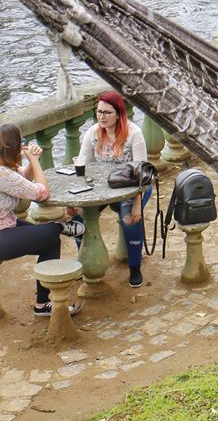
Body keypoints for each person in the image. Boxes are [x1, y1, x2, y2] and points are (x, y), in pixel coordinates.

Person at [0, 124, 82, 318]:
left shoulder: (5, 169)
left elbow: (22, 176)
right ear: (14, 147)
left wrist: (31, 161)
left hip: (6, 223)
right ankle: (61, 226)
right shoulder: (2, 173)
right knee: (51, 231)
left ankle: (42, 304)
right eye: (22, 142)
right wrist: (36, 161)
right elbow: (42, 194)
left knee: (50, 242)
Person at [76, 90, 149, 288]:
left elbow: (143, 174)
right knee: (76, 217)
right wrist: (75, 200)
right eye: (99, 111)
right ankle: (83, 261)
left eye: (107, 112)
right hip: (103, 188)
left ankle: (135, 267)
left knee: (130, 220)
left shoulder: (134, 134)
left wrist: (137, 204)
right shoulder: (92, 133)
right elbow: (82, 164)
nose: (102, 116)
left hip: (133, 187)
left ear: (118, 114)